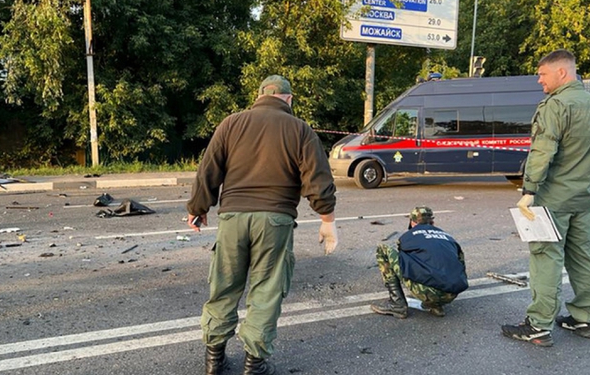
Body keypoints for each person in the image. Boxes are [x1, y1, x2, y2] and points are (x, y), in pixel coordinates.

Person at [186, 74, 338, 375]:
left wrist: (198, 208)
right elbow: (318, 180)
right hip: (275, 219)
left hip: (232, 219)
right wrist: (327, 220)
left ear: (258, 96)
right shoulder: (300, 129)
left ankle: (214, 361)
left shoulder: (231, 123)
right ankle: (253, 365)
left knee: (224, 287)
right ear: (289, 99)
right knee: (266, 291)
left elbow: (208, 169)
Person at [502, 49, 590, 347]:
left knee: (545, 257)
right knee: (583, 255)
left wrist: (529, 190)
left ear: (562, 73)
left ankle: (538, 324)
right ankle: (583, 318)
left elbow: (542, 151)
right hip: (583, 197)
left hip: (552, 198)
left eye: (543, 74)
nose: (539, 80)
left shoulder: (556, 105)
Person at [370, 206, 468, 319]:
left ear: (412, 222)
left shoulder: (409, 236)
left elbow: (403, 256)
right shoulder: (448, 237)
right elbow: (460, 262)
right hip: (451, 294)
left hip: (426, 291)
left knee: (384, 248)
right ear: (432, 222)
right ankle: (436, 306)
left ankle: (398, 305)